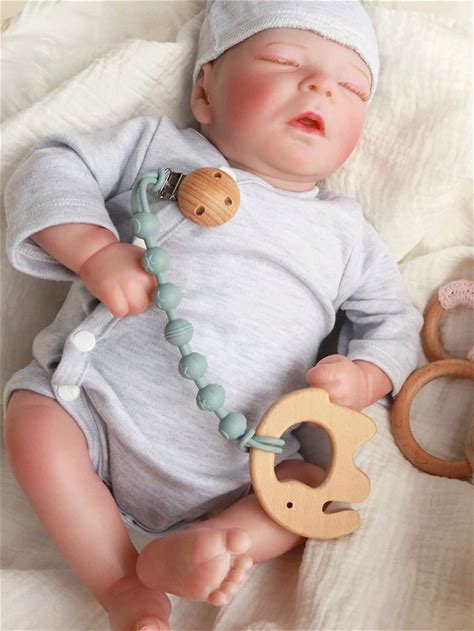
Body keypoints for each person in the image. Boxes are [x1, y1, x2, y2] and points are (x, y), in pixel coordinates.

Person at [3, 1, 423, 630]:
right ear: (205, 90)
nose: (321, 87)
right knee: (34, 425)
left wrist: (363, 376)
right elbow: (53, 164)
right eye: (284, 61)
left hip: (245, 461)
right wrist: (94, 251)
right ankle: (122, 584)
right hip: (95, 407)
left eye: (353, 87)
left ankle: (213, 544)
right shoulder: (161, 150)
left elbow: (394, 321)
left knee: (308, 488)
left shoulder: (347, 234)